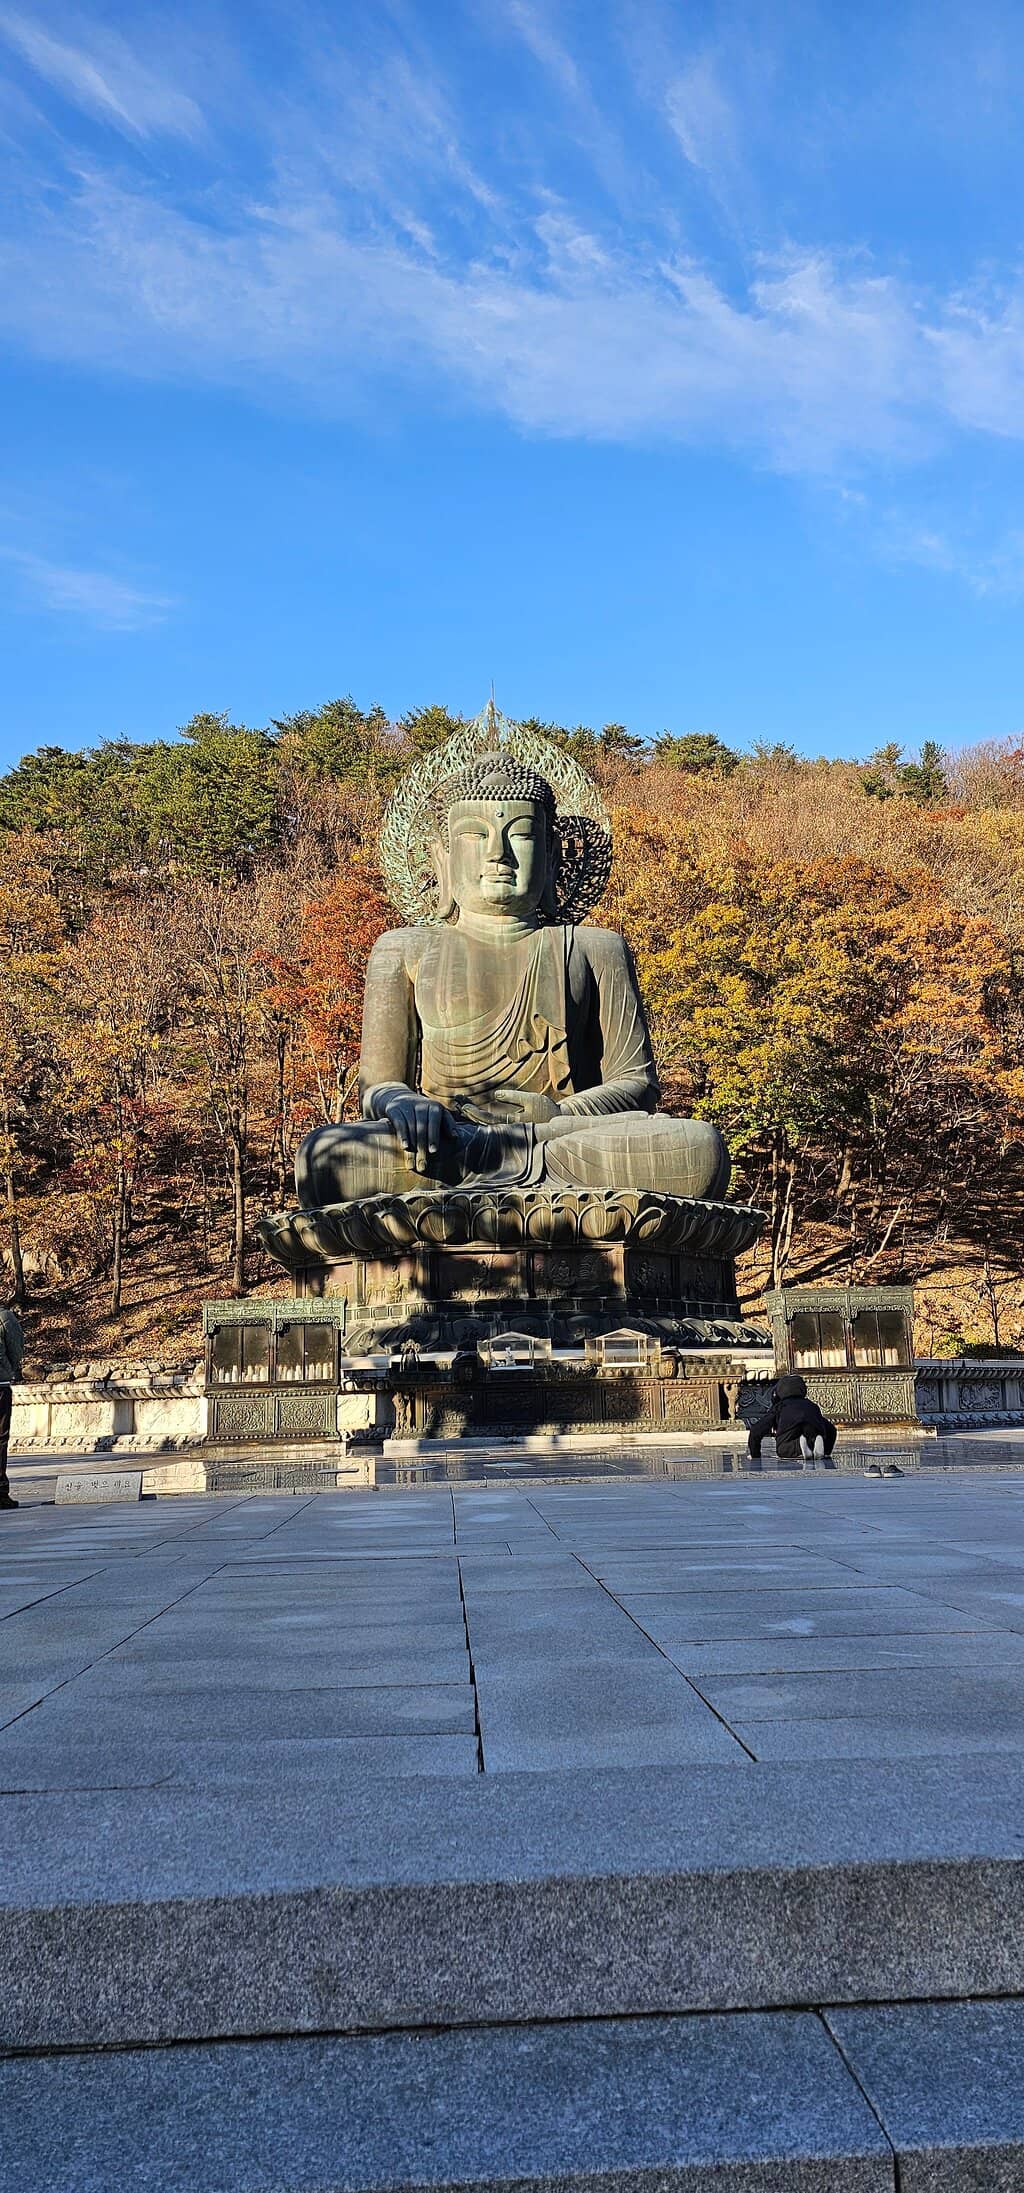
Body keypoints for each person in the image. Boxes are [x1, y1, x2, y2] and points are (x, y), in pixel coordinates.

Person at [296, 755, 729, 1208]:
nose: (497, 854)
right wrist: (404, 1105)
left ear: (552, 856)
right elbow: (379, 1084)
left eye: (521, 834)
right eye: (475, 835)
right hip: (447, 1140)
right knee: (327, 1157)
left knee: (697, 1148)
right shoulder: (403, 948)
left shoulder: (595, 947)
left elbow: (635, 1083)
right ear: (441, 858)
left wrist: (562, 1112)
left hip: (562, 1135)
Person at [746, 1373, 837, 1464]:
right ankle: (814, 1445)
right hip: (813, 1433)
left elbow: (756, 1430)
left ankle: (799, 1446)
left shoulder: (780, 1406)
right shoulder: (812, 1405)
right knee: (815, 1436)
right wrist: (827, 1451)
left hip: (789, 1436)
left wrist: (755, 1455)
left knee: (782, 1449)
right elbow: (831, 1430)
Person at [0, 1301, 23, 1510]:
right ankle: (0, 1492)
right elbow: (16, 1350)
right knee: (0, 1439)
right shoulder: (5, 1317)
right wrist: (10, 1369)